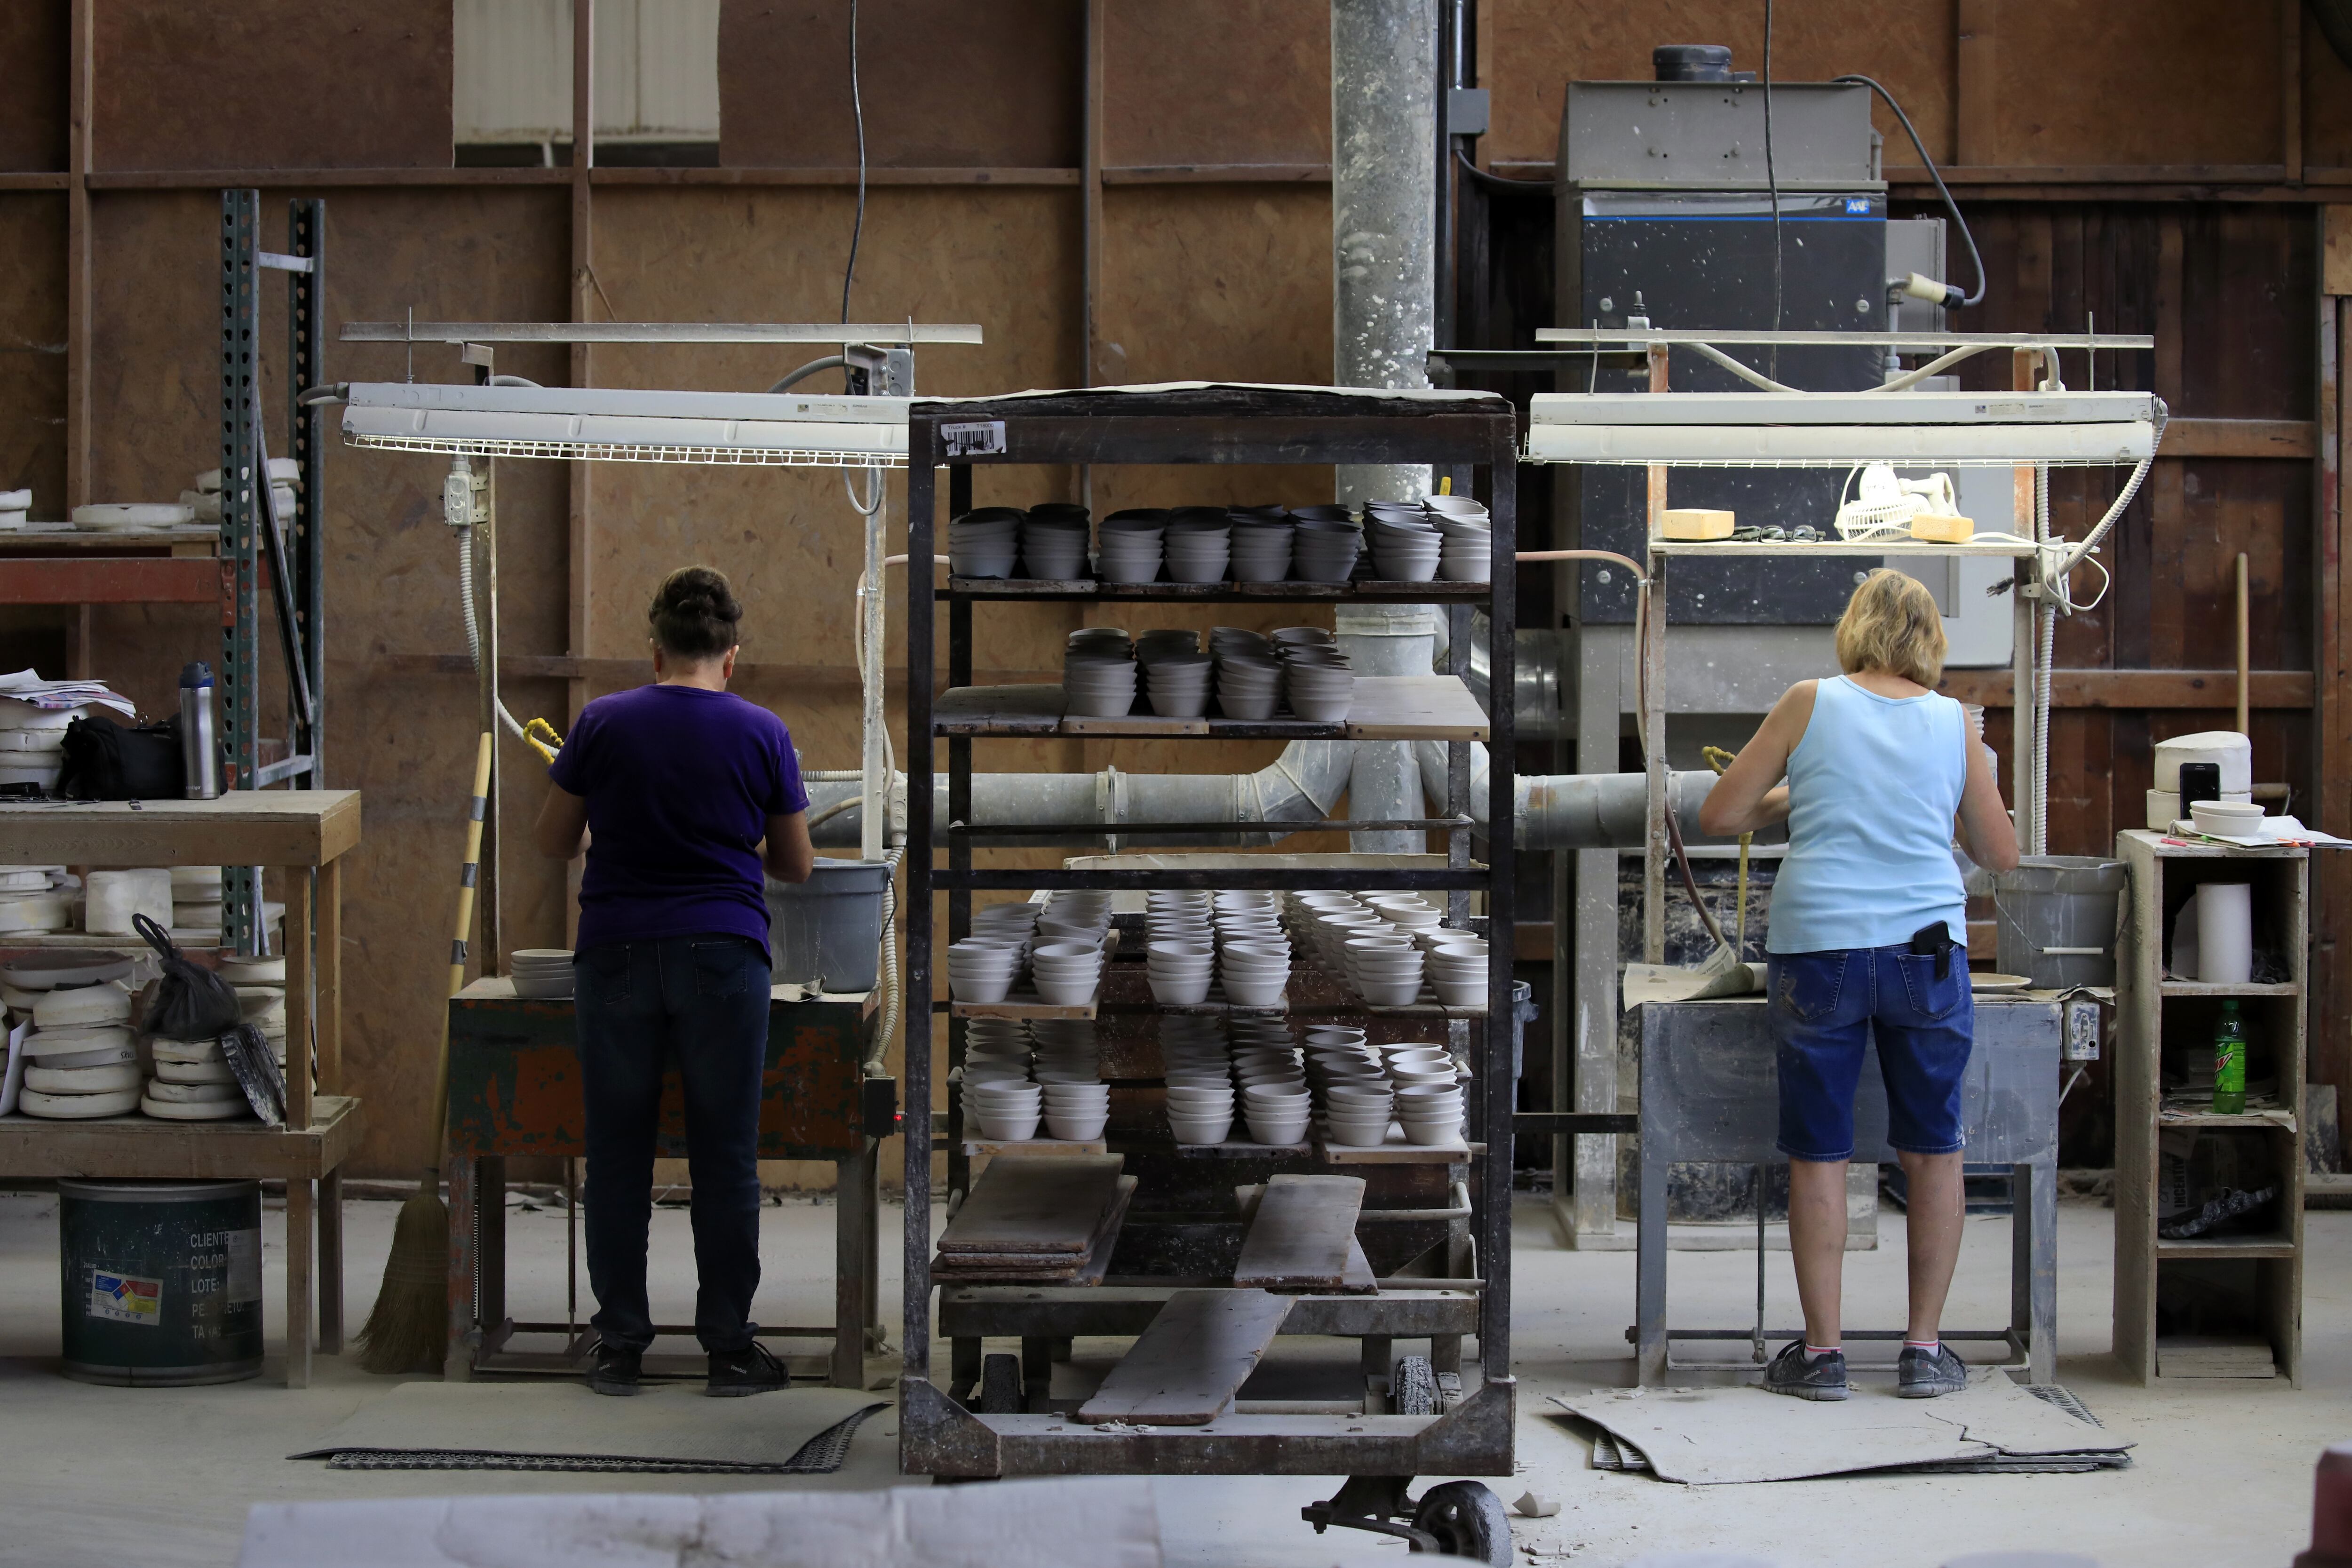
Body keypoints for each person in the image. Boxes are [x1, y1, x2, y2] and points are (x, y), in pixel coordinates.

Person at [1699, 568, 2018, 1402]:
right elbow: (2000, 853)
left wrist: (1789, 796)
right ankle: (1922, 1350)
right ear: (1930, 644)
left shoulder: (1811, 701)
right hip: (1926, 953)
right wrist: (1948, 788)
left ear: (1855, 629)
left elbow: (1719, 815)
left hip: (1821, 951)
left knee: (1820, 1153)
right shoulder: (1953, 722)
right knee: (1934, 1149)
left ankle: (1824, 1356)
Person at [533, 565, 815, 1397]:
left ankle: (619, 1345)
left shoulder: (602, 722)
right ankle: (728, 1349)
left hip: (616, 952)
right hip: (725, 956)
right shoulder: (764, 731)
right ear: (731, 657)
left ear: (655, 651)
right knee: (724, 1156)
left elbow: (554, 842)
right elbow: (797, 864)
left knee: (617, 1155)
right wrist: (730, 849)